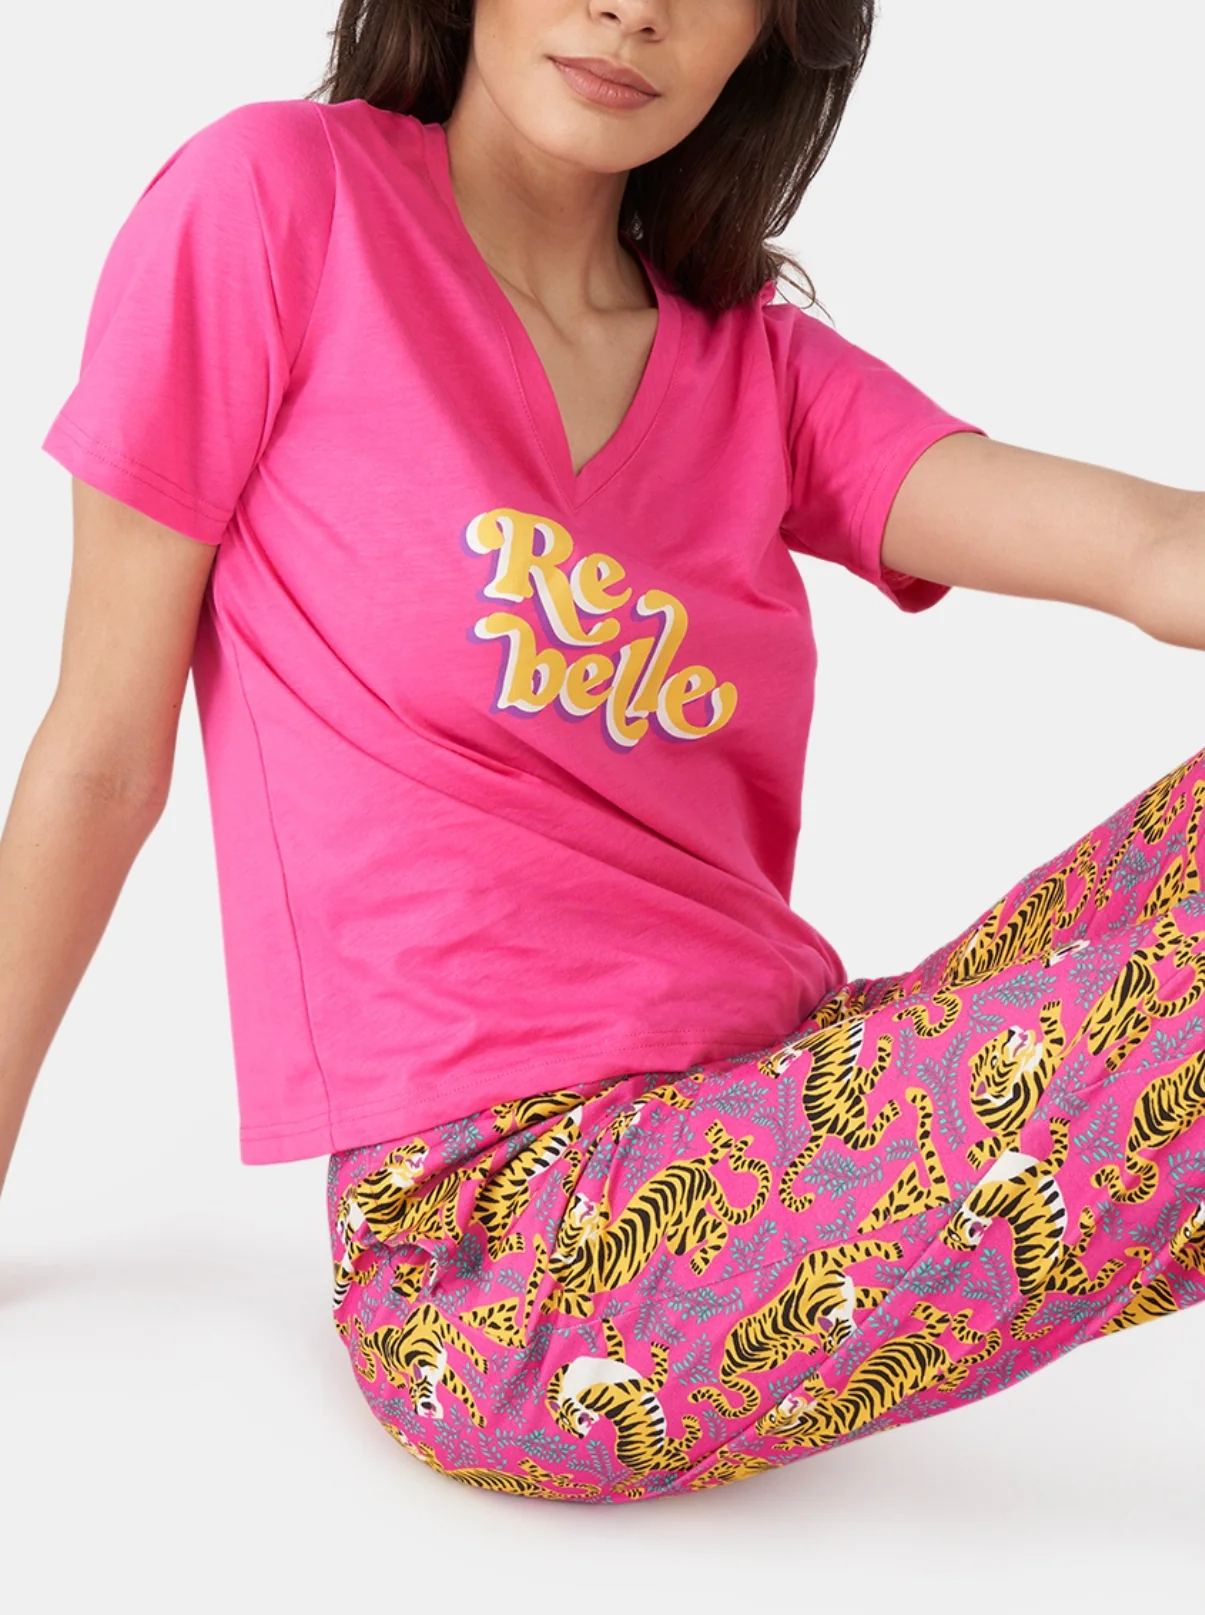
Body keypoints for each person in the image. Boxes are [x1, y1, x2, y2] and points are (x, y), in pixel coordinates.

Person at [5, 0, 1204, 1504]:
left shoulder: (757, 370)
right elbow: (101, 758)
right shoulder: (278, 207)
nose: (636, 9)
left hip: (783, 1105)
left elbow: (1153, 549)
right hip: (508, 1257)